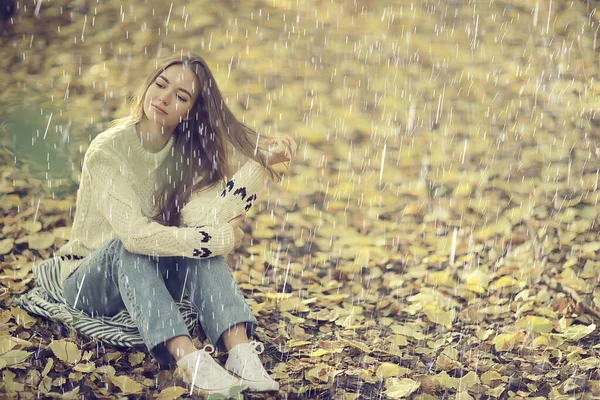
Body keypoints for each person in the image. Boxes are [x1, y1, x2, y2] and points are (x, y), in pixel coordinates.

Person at [55, 53, 298, 398]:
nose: (164, 99)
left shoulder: (188, 155)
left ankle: (241, 351)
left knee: (199, 246)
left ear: (192, 112)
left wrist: (260, 165)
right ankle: (190, 359)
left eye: (181, 97)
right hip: (90, 279)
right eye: (161, 85)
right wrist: (215, 239)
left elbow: (209, 220)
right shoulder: (107, 151)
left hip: (147, 276)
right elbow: (135, 235)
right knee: (133, 245)